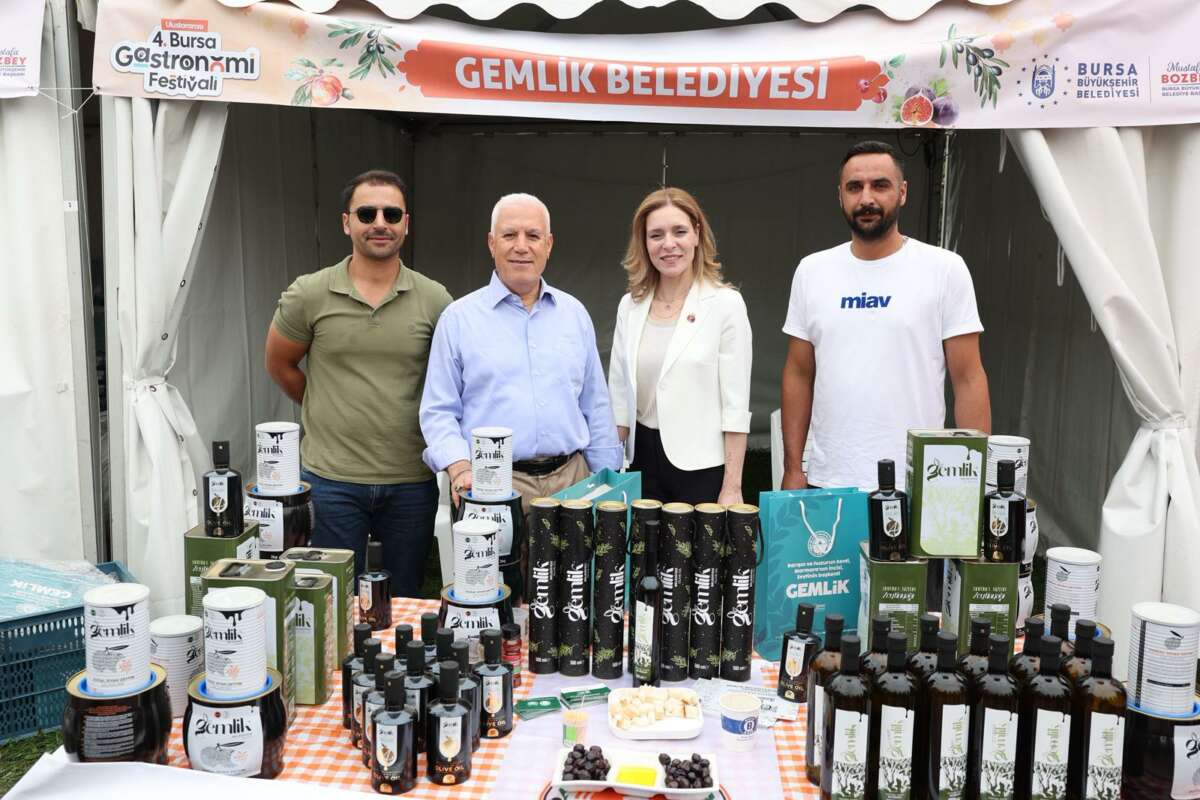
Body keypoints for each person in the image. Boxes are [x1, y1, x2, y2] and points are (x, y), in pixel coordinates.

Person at [265, 169, 452, 595]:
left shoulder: (435, 300)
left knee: (402, 597)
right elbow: (280, 364)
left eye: (392, 214)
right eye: (367, 214)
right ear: (346, 223)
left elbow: (450, 384)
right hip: (331, 480)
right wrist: (325, 406)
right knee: (330, 598)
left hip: (410, 479)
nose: (380, 223)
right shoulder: (309, 294)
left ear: (407, 223)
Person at [780, 140, 991, 491]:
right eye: (854, 187)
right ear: (840, 195)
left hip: (920, 479)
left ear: (903, 192)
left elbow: (968, 378)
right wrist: (792, 468)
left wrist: (974, 482)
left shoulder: (944, 269)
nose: (867, 198)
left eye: (880, 185)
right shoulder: (811, 271)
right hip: (829, 479)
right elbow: (798, 374)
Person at [419, 193, 622, 508]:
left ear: (549, 244)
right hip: (491, 483)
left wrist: (608, 477)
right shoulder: (458, 320)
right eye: (509, 235)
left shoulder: (574, 314)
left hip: (574, 481)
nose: (521, 246)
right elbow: (438, 411)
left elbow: (595, 404)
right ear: (492, 243)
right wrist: (459, 467)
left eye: (533, 236)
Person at [608, 187, 752, 507]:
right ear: (644, 242)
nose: (668, 244)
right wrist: (610, 471)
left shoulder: (726, 305)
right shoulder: (629, 306)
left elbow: (736, 407)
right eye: (656, 235)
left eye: (679, 231)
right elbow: (618, 397)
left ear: (697, 234)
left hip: (702, 469)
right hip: (640, 464)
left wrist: (732, 486)